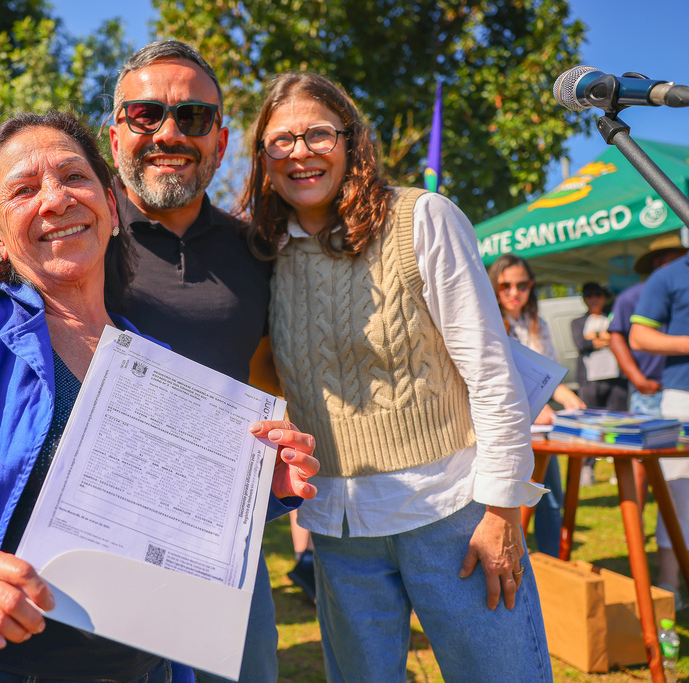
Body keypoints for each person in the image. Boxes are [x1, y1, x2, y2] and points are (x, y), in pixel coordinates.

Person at [0, 111, 318, 683]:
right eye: (23, 189)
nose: (56, 199)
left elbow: (170, 516)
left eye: (74, 177)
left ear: (111, 207)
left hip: (142, 670)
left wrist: (263, 489)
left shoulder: (154, 359)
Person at [238, 71, 551, 681]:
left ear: (351, 141)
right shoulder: (265, 253)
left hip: (454, 512)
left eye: (318, 134)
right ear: (263, 158)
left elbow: (491, 371)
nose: (300, 152)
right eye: (281, 141)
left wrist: (502, 510)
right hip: (339, 527)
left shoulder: (421, 218)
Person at [489, 254, 585, 557]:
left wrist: (570, 400)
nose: (514, 293)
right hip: (502, 430)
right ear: (493, 286)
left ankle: (551, 564)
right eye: (505, 286)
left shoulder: (537, 323)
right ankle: (512, 561)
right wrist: (534, 405)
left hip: (538, 430)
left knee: (549, 498)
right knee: (504, 502)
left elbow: (548, 373)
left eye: (522, 285)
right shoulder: (486, 321)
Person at [608, 236, 687, 516]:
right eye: (676, 256)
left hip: (671, 385)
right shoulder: (632, 296)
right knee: (642, 460)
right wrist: (638, 379)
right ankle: (636, 525)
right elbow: (616, 337)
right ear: (659, 261)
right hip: (651, 389)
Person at [630, 241, 689, 602]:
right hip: (683, 398)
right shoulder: (669, 276)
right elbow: (638, 335)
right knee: (679, 496)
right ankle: (670, 585)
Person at [570, 281, 625, 486]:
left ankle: (620, 469)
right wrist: (606, 337)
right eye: (589, 295)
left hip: (616, 379)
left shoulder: (612, 317)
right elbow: (582, 343)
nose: (593, 299)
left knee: (618, 426)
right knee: (590, 426)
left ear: (604, 297)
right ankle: (587, 469)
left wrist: (595, 337)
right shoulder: (578, 322)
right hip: (590, 382)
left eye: (597, 295)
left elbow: (621, 338)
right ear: (584, 299)